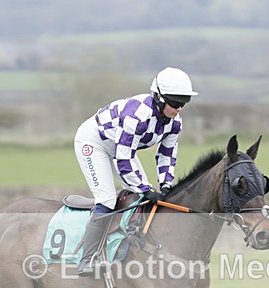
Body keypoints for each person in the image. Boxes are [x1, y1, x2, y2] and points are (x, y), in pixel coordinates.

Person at [73, 67, 197, 276]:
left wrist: (166, 185)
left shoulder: (175, 123)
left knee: (143, 197)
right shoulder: (137, 116)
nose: (179, 109)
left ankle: (131, 244)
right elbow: (124, 159)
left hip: (120, 147)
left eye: (184, 103)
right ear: (159, 97)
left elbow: (166, 154)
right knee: (107, 199)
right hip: (94, 143)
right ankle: (87, 260)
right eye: (175, 103)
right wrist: (146, 189)